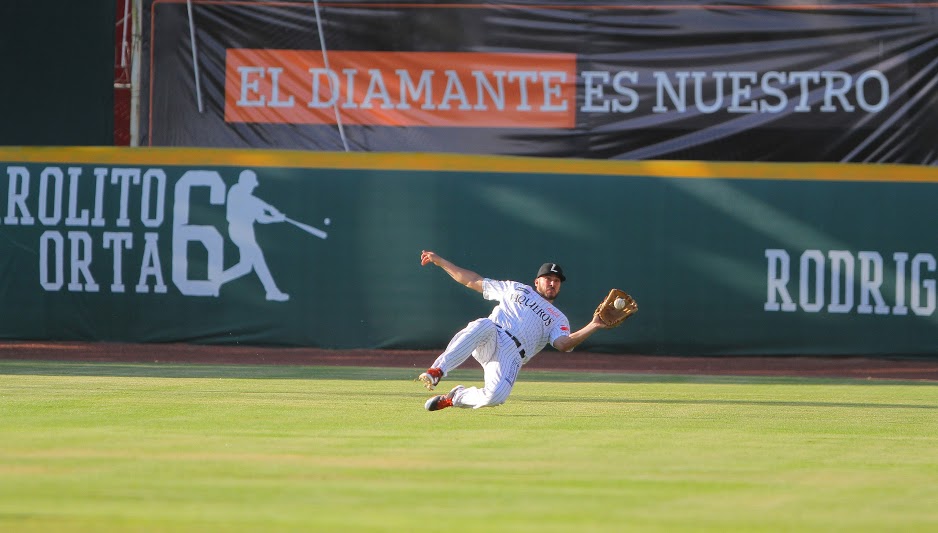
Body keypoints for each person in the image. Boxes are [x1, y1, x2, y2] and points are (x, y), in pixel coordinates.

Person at [417, 250, 612, 411]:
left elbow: (563, 344)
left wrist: (594, 325)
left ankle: (455, 397)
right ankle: (438, 370)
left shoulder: (558, 318)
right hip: (493, 335)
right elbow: (473, 280)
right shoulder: (517, 289)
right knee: (483, 325)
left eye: (557, 280)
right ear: (537, 282)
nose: (552, 283)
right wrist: (440, 261)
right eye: (548, 278)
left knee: (496, 397)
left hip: (513, 357)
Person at [215, 170, 290, 302]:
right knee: (258, 258)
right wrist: (274, 214)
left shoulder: (246, 197)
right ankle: (272, 291)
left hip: (246, 232)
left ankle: (218, 279)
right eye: (251, 183)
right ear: (245, 182)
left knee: (245, 266)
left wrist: (272, 213)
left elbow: (260, 216)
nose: (253, 186)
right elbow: (258, 209)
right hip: (239, 231)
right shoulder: (236, 191)